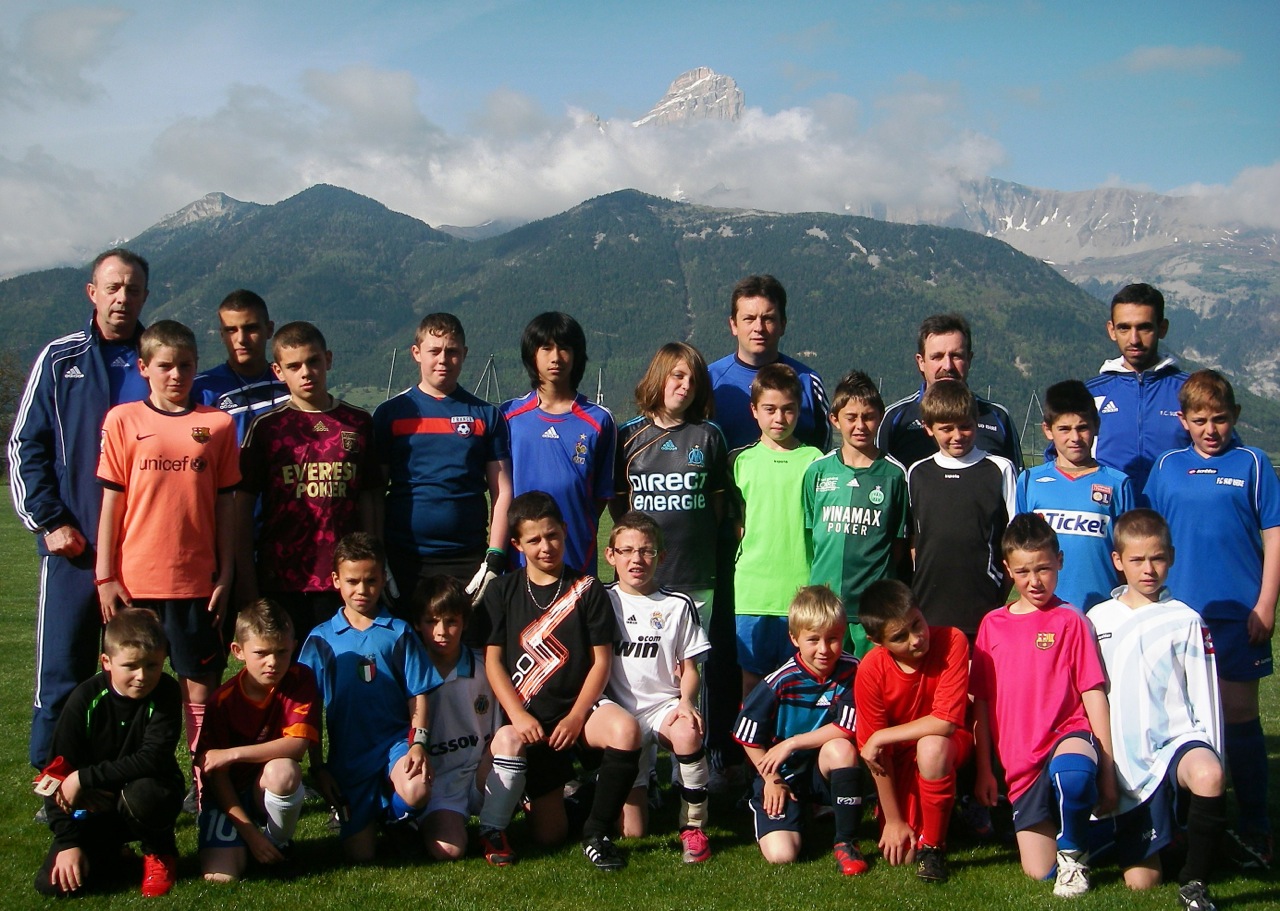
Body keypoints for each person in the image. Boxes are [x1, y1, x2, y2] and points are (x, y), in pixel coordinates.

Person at [9, 248, 152, 769]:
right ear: (93, 293)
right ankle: (54, 784)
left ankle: (126, 784)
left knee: (138, 673)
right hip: (75, 548)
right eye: (112, 287)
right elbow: (26, 446)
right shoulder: (59, 359)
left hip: (140, 552)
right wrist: (50, 521)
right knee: (63, 673)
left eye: (132, 288)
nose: (122, 298)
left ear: (145, 296)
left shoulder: (158, 359)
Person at [94, 319, 240, 804]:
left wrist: (227, 572)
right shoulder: (123, 420)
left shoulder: (217, 425)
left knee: (200, 693)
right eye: (165, 366)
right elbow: (112, 503)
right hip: (136, 583)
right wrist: (105, 576)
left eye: (186, 366)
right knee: (132, 689)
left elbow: (225, 508)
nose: (176, 375)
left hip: (197, 583)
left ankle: (203, 784)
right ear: (144, 368)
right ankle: (129, 785)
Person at [1145, 370, 1278, 867]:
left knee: (1240, 717)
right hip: (1178, 618)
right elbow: (1148, 536)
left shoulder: (1253, 464)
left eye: (1220, 419)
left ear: (1234, 416)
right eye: (1199, 420)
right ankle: (1184, 824)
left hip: (1239, 616)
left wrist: (1266, 604)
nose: (1210, 429)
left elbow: (1274, 537)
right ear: (1183, 420)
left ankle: (1255, 825)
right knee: (1181, 721)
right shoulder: (1167, 466)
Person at [476, 492, 642, 871]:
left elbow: (601, 662)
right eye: (534, 540)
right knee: (549, 835)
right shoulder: (502, 591)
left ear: (565, 531)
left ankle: (596, 834)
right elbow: (493, 662)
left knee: (626, 731)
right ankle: (577, 795)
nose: (546, 546)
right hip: (532, 721)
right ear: (516, 544)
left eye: (552, 535)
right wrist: (518, 715)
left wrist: (577, 716)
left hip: (580, 712)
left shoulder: (587, 588)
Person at [971, 513, 1116, 897]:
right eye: (1023, 571)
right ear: (1007, 569)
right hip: (1020, 762)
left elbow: (1093, 694)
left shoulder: (1071, 620)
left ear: (1060, 562)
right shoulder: (992, 625)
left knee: (1073, 774)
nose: (1035, 581)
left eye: (1044, 569)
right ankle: (1108, 833)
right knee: (1039, 872)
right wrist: (984, 770)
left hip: (1067, 737)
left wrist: (1107, 769)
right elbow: (980, 703)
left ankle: (1074, 854)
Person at [1087, 509, 1226, 910]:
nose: (1148, 569)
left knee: (1209, 774)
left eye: (1158, 558)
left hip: (1178, 743)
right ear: (1118, 561)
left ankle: (1195, 882)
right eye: (1137, 560)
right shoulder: (1097, 619)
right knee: (1142, 884)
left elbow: (1206, 695)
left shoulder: (1186, 619)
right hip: (1127, 759)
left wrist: (1215, 751)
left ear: (1171, 557)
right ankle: (1172, 839)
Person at [298, 532, 440, 863]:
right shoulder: (321, 639)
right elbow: (309, 709)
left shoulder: (399, 631)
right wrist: (318, 768)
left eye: (371, 580)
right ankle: (377, 814)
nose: (362, 590)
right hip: (349, 757)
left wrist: (418, 743)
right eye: (352, 581)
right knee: (360, 855)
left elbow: (417, 693)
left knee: (417, 787)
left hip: (395, 745)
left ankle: (394, 816)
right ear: (336, 580)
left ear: (382, 578)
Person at [239, 321, 381, 645]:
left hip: (349, 579)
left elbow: (371, 498)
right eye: (294, 366)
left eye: (313, 361)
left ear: (328, 359)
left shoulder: (358, 423)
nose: (306, 372)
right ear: (278, 371)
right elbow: (242, 506)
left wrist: (377, 563)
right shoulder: (267, 428)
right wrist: (246, 578)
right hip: (283, 577)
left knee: (349, 665)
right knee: (287, 668)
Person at [33, 608, 184, 898]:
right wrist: (67, 842)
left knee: (146, 794)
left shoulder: (166, 691)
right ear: (107, 662)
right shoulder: (84, 698)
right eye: (131, 666)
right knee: (53, 885)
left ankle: (159, 852)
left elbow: (153, 757)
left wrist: (82, 778)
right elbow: (55, 774)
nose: (142, 676)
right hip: (95, 804)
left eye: (152, 665)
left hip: (148, 792)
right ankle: (111, 852)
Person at [373, 313, 512, 610]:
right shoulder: (390, 414)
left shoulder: (487, 415)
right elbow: (373, 492)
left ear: (464, 353)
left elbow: (502, 491)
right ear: (416, 353)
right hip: (403, 558)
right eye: (434, 351)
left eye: (452, 351)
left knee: (466, 639)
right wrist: (377, 555)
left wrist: (495, 557)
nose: (443, 360)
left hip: (467, 558)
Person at [734, 585, 867, 874]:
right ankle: (788, 810)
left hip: (822, 768)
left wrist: (792, 743)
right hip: (783, 773)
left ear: (843, 633)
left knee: (842, 749)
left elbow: (847, 728)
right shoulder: (779, 681)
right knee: (781, 855)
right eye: (813, 639)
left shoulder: (853, 670)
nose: (824, 649)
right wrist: (771, 779)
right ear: (794, 638)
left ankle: (846, 842)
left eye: (833, 639)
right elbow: (746, 735)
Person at [603, 511, 712, 861]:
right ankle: (639, 787)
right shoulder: (601, 600)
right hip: (619, 716)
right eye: (626, 551)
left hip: (664, 708)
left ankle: (693, 826)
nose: (636, 559)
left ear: (661, 557)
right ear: (611, 556)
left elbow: (690, 668)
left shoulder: (677, 605)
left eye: (646, 551)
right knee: (633, 832)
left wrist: (687, 702)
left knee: (688, 733)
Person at [854, 579, 971, 883]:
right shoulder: (870, 669)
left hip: (947, 745)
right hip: (898, 760)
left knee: (931, 746)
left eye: (917, 624)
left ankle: (933, 849)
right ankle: (935, 813)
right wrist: (893, 820)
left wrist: (881, 736)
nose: (916, 639)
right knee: (902, 853)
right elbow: (874, 756)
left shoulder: (952, 640)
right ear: (876, 641)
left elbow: (945, 722)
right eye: (900, 637)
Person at [198, 599, 320, 882]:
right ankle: (254, 842)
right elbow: (217, 777)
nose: (273, 662)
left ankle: (278, 844)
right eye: (261, 653)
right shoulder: (221, 701)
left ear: (294, 646)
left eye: (282, 652)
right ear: (238, 651)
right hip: (229, 797)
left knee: (285, 771)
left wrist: (233, 753)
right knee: (220, 876)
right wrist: (250, 835)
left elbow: (297, 745)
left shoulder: (300, 679)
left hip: (264, 787)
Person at [613, 342, 728, 629]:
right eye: (678, 375)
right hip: (639, 572)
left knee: (693, 655)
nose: (686, 385)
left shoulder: (709, 436)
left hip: (695, 575)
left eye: (694, 380)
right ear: (659, 376)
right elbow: (618, 506)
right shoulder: (627, 436)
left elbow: (717, 505)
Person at [729, 363, 823, 697]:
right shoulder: (739, 461)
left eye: (788, 409)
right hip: (753, 593)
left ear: (799, 410)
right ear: (754, 410)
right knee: (753, 685)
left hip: (801, 592)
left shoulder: (815, 460)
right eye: (770, 409)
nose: (779, 418)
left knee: (802, 684)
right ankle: (751, 735)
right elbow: (735, 522)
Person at [803, 370, 909, 657]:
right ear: (834, 419)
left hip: (872, 608)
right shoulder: (818, 471)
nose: (860, 425)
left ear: (880, 418)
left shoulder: (895, 474)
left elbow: (897, 544)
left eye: (868, 417)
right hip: (826, 605)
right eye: (851, 417)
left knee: (870, 678)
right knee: (827, 677)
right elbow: (811, 536)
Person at [502, 312, 615, 576]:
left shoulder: (599, 420)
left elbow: (601, 495)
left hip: (577, 555)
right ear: (532, 354)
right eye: (546, 348)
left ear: (577, 355)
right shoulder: (508, 416)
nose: (556, 357)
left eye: (564, 348)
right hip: (519, 562)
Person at [906, 380, 1018, 639]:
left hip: (983, 605)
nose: (957, 436)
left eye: (965, 426)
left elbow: (1014, 541)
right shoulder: (917, 472)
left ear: (976, 422)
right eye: (946, 429)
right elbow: (914, 539)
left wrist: (1001, 592)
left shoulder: (1000, 469)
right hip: (929, 607)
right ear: (928, 428)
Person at [1016, 379, 1134, 611]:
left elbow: (1130, 553)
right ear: (1048, 430)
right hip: (1045, 611)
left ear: (1096, 426)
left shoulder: (1118, 484)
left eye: (1082, 428)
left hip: (1104, 610)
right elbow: (1019, 550)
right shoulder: (1030, 481)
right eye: (1064, 429)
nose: (1075, 438)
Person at [406, 575, 498, 862]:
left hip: (481, 771)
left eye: (451, 622)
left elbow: (500, 732)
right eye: (431, 621)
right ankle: (415, 821)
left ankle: (495, 830)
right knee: (449, 850)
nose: (441, 631)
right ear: (417, 624)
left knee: (510, 741)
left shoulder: (486, 667)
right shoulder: (409, 672)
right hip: (440, 782)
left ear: (465, 622)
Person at [877, 313, 1023, 471]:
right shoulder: (894, 419)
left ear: (969, 359)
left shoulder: (998, 417)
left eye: (956, 356)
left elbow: (1017, 480)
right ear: (921, 362)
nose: (947, 366)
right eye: (937, 357)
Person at [1087, 283, 1189, 500]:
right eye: (1124, 328)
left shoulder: (1190, 392)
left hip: (1173, 517)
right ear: (1111, 330)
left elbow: (1226, 459)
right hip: (1111, 516)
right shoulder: (1091, 395)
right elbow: (1061, 461)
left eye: (1144, 328)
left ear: (1162, 328)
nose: (1134, 339)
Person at [708, 273, 829, 451]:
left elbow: (824, 455)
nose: (758, 328)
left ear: (783, 325)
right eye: (749, 319)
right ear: (733, 325)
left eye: (768, 319)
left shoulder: (808, 381)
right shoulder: (708, 381)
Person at [192, 289, 289, 443]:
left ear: (269, 329)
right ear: (222, 335)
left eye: (251, 328)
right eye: (231, 330)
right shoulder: (202, 388)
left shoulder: (289, 382)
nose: (241, 339)